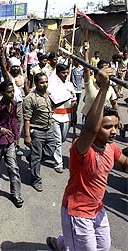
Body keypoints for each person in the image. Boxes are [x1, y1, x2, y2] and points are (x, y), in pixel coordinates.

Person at [46, 66, 128, 251]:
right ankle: (66, 241)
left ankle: (62, 242)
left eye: (115, 126)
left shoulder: (111, 147)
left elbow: (124, 164)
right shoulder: (82, 147)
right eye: (107, 127)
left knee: (104, 247)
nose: (114, 131)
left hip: (98, 209)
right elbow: (90, 129)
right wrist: (104, 88)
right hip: (77, 212)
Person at [0, 79, 24, 208]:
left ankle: (16, 194)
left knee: (13, 167)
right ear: (2, 93)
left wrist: (16, 136)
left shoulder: (13, 104)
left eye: (13, 91)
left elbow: (14, 120)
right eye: (9, 92)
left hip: (9, 142)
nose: (12, 94)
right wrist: (0, 129)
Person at [23, 72, 58, 192]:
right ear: (36, 83)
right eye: (42, 82)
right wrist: (27, 136)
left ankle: (31, 157)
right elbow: (27, 118)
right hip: (37, 131)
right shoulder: (30, 98)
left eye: (46, 82)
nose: (45, 84)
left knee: (51, 150)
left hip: (49, 129)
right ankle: (36, 179)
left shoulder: (49, 95)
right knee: (37, 157)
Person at [47, 64, 76, 173]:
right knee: (58, 141)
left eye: (66, 72)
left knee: (63, 139)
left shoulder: (70, 85)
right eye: (63, 73)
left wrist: (74, 113)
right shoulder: (52, 85)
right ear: (58, 73)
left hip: (67, 117)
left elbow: (73, 100)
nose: (65, 75)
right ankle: (58, 163)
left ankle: (47, 149)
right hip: (55, 117)